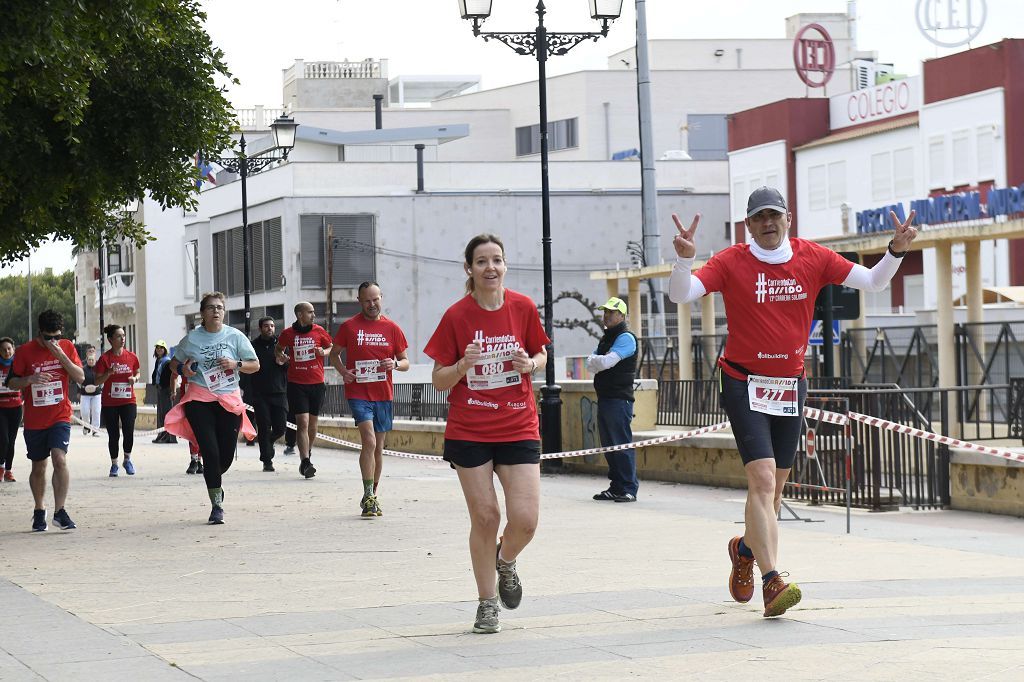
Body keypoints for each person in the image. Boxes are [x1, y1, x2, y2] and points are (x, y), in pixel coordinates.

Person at [668, 186, 917, 618]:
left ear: (788, 219)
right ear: (748, 225)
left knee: (774, 490)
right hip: (743, 383)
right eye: (758, 218)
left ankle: (745, 549)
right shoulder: (731, 261)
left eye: (774, 216)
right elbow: (681, 294)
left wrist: (895, 250)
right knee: (762, 480)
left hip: (789, 385)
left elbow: (874, 282)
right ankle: (772, 581)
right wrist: (685, 258)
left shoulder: (813, 257)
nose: (767, 223)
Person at [424, 234, 549, 635]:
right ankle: (486, 603)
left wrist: (530, 364)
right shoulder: (457, 316)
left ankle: (506, 561)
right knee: (486, 516)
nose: (490, 268)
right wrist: (463, 364)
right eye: (481, 261)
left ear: (505, 266)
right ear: (469, 269)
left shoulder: (523, 307)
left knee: (526, 520)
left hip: (517, 424)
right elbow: (439, 379)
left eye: (496, 260)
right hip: (471, 429)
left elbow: (541, 353)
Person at [165, 292, 259, 524]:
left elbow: (255, 365)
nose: (216, 311)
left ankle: (214, 476)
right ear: (203, 313)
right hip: (199, 400)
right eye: (211, 308)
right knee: (209, 451)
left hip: (228, 400)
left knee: (224, 457)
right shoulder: (192, 339)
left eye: (219, 307)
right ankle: (216, 505)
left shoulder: (235, 336)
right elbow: (174, 363)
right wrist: (182, 371)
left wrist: (235, 363)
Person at [329, 281, 410, 517]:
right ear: (359, 301)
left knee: (378, 448)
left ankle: (371, 494)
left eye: (375, 299)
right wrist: (344, 373)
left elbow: (405, 362)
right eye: (367, 300)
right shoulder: (349, 327)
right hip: (358, 393)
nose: (372, 304)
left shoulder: (393, 328)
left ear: (381, 298)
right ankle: (368, 494)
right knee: (370, 441)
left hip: (383, 395)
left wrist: (394, 363)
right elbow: (334, 355)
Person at [6, 309, 84, 531]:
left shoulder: (66, 347)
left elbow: (80, 376)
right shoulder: (24, 352)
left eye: (57, 336)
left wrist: (61, 356)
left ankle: (60, 511)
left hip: (60, 416)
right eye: (48, 337)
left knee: (60, 459)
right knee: (39, 466)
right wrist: (31, 379)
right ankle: (39, 509)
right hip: (35, 419)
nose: (53, 341)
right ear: (40, 333)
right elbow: (11, 382)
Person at [587, 297, 639, 503]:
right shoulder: (606, 338)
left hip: (619, 399)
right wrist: (598, 360)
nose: (606, 315)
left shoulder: (626, 338)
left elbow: (607, 362)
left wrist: (599, 360)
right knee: (609, 444)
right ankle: (616, 486)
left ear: (621, 315)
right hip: (606, 397)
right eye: (605, 311)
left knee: (621, 443)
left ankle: (628, 488)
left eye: (611, 312)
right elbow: (590, 363)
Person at [276, 302, 332, 479]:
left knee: (313, 423)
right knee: (303, 422)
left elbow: (332, 347)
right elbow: (279, 349)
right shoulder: (287, 333)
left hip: (317, 383)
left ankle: (307, 450)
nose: (314, 315)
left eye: (314, 312)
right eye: (310, 312)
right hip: (296, 383)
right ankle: (305, 461)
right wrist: (281, 356)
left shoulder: (319, 331)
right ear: (300, 315)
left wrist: (323, 352)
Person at [94, 325, 140, 476]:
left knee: (129, 431)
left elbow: (138, 372)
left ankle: (127, 459)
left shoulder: (131, 356)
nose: (122, 339)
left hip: (128, 401)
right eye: (119, 336)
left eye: (124, 336)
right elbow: (96, 381)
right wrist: (108, 373)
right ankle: (114, 464)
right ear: (110, 340)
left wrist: (134, 378)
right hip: (110, 402)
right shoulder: (104, 359)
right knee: (114, 435)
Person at [248, 316, 288, 472]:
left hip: (279, 392)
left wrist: (284, 363)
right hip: (260, 393)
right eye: (266, 326)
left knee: (280, 428)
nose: (270, 328)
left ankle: (267, 442)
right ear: (260, 328)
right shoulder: (252, 346)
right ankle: (267, 460)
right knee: (264, 427)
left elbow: (290, 366)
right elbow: (247, 368)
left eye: (272, 326)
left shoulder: (281, 345)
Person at [0, 337, 24, 482]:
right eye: (3, 349)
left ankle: (9, 470)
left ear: (13, 349)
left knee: (12, 440)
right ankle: (1, 467)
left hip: (16, 407)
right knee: (4, 439)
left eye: (9, 348)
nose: (6, 352)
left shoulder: (19, 365)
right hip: (1, 408)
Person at [152, 340, 177, 443]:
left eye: (161, 348)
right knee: (161, 414)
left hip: (166, 390)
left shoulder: (167, 361)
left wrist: (172, 391)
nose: (159, 349)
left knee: (166, 414)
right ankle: (161, 435)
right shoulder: (159, 360)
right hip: (160, 389)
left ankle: (168, 437)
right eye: (157, 348)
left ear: (165, 349)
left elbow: (171, 378)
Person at [78, 346, 102, 437]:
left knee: (96, 411)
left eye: (92, 360)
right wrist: (82, 387)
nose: (91, 361)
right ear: (87, 359)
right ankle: (86, 426)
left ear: (95, 359)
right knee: (84, 412)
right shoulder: (83, 369)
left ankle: (95, 430)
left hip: (96, 394)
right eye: (89, 360)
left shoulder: (99, 368)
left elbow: (103, 379)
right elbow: (78, 380)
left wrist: (99, 387)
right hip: (85, 394)